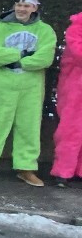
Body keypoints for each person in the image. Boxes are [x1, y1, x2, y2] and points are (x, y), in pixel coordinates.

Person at [0, 0, 57, 187]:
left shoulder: (45, 31)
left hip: (31, 88)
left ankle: (26, 168)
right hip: (2, 86)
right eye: (19, 4)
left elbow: (44, 59)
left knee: (29, 127)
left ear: (35, 8)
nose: (21, 9)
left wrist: (14, 60)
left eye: (26, 6)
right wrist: (24, 54)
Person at [51, 10, 82, 187]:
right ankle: (63, 171)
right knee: (70, 128)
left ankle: (77, 170)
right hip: (75, 85)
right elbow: (78, 53)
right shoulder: (77, 25)